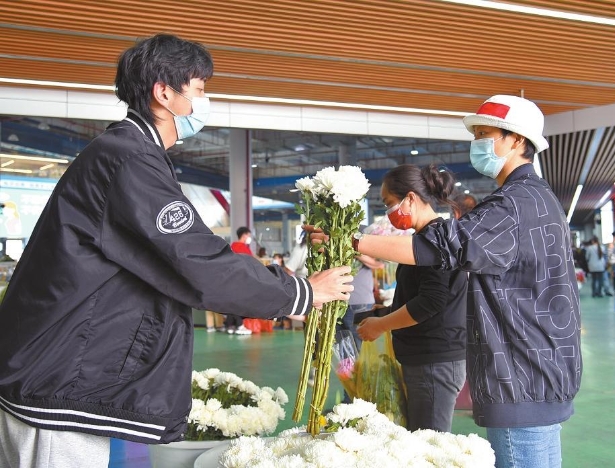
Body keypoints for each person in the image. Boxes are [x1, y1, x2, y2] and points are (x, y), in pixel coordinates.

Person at [0, 34, 353, 468]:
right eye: (199, 89)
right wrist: (301, 292)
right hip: (58, 380)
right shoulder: (130, 159)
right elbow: (196, 260)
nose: (204, 102)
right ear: (164, 93)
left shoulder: (130, 153)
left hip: (60, 371)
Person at [348, 95, 582, 467]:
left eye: (485, 134)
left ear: (516, 140)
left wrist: (353, 241)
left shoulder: (513, 204)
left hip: (519, 375)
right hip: (540, 369)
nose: (477, 143)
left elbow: (442, 246)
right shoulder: (539, 198)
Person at [357, 164, 467, 433]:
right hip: (426, 357)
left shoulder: (435, 242)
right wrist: (380, 313)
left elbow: (430, 302)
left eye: (389, 203)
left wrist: (380, 325)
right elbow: (419, 296)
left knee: (430, 443)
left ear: (410, 198)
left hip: (434, 360)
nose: (388, 212)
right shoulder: (425, 240)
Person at [221, 226, 255, 335]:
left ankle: (229, 325)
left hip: (234, 277)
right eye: (248, 235)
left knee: (234, 301)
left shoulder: (233, 246)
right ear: (244, 235)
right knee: (239, 302)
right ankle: (239, 325)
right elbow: (250, 262)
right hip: (241, 278)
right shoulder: (241, 247)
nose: (249, 238)